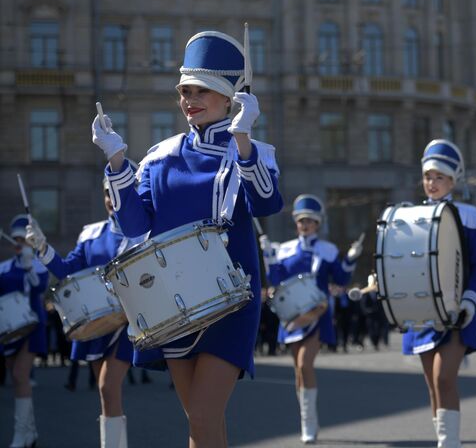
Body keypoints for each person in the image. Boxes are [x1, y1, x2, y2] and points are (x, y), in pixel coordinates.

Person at [91, 30, 283, 447]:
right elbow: (132, 225)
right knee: (199, 425)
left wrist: (243, 139)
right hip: (170, 302)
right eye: (185, 91)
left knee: (203, 413)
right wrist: (117, 159)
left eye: (202, 91)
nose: (189, 100)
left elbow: (266, 204)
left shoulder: (253, 151)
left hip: (231, 299)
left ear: (229, 98)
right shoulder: (161, 156)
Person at [25, 174, 145, 447]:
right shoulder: (91, 234)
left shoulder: (142, 234)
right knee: (107, 395)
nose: (111, 199)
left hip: (131, 322)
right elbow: (67, 270)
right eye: (106, 193)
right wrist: (42, 248)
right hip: (97, 320)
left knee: (107, 385)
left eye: (117, 192)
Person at [401, 139, 476, 448]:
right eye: (428, 176)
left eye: (439, 177)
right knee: (432, 385)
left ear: (453, 180)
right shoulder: (410, 217)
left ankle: (449, 444)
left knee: (444, 378)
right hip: (422, 313)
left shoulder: (469, 215)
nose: (432, 183)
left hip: (456, 311)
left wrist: (469, 301)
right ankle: (444, 439)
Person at [259, 194, 363, 443]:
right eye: (301, 221)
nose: (305, 225)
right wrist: (267, 255)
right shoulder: (284, 249)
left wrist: (350, 258)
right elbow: (275, 280)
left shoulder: (327, 250)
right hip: (292, 316)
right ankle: (307, 422)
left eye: (310, 221)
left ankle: (310, 422)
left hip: (318, 314)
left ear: (318, 223)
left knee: (305, 364)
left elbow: (340, 280)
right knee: (298, 370)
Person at [1, 215, 49, 448]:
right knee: (17, 378)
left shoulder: (38, 265)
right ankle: (30, 433)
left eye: (23, 239)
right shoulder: (4, 267)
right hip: (8, 328)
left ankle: (21, 435)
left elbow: (40, 286)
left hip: (31, 325)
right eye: (16, 239)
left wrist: (30, 264)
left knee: (21, 374)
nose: (19, 243)